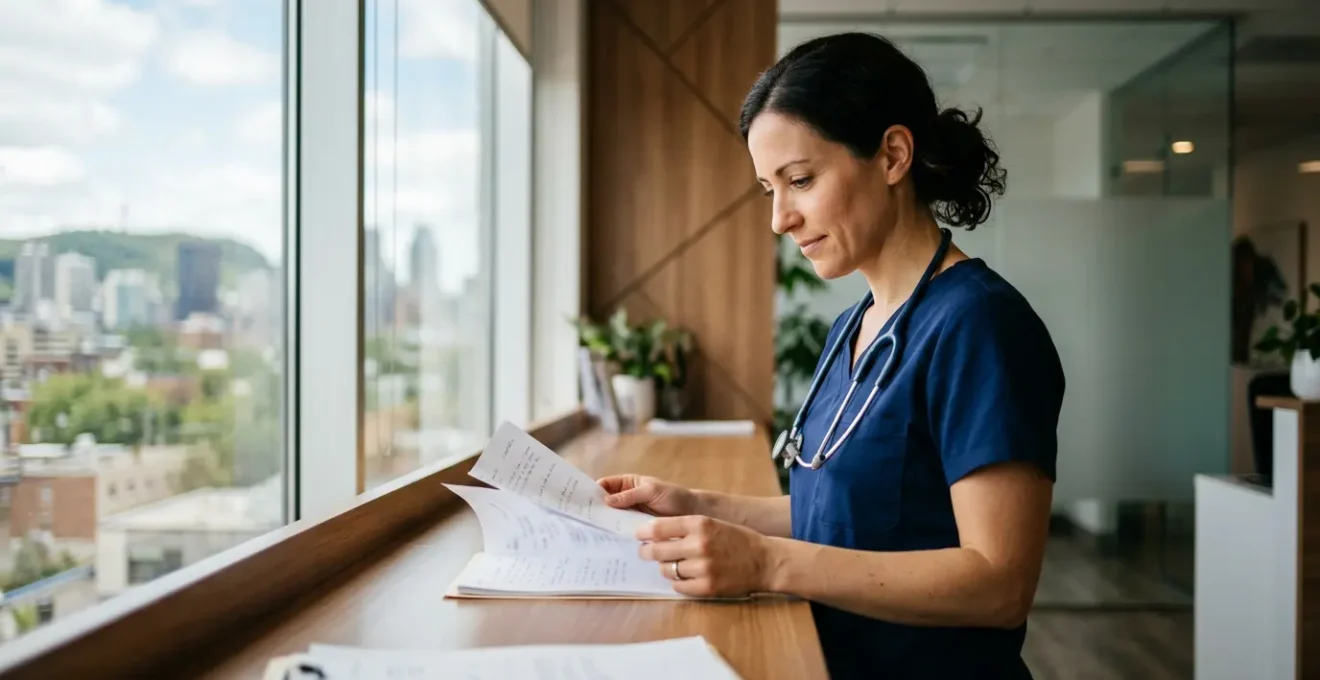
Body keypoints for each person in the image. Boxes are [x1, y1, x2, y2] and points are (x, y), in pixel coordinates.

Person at [597, 32, 1065, 680]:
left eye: (801, 179)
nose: (779, 219)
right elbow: (848, 513)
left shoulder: (979, 326)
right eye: (769, 189)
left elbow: (998, 581)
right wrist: (698, 505)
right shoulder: (854, 327)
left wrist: (766, 562)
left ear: (893, 154)